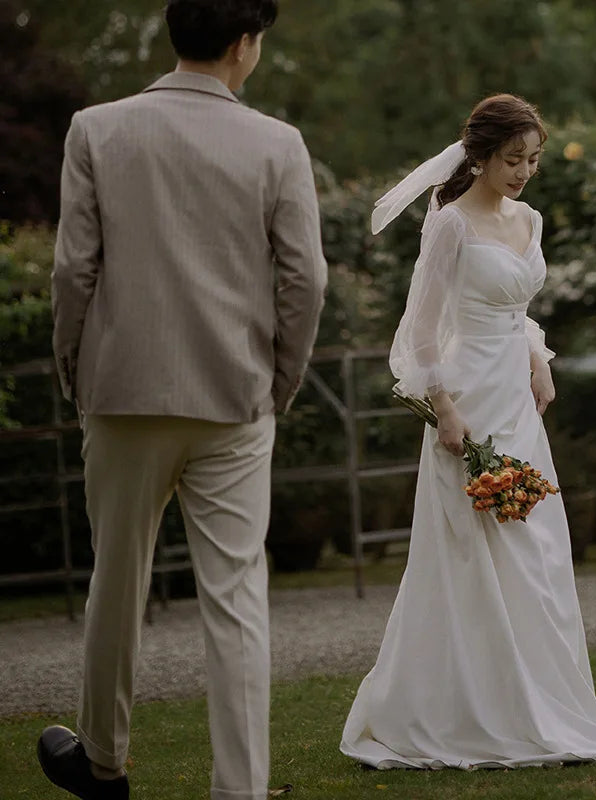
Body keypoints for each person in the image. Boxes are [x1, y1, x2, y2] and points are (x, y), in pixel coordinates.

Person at [36, 1, 327, 798]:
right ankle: (240, 788)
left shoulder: (97, 128)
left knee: (115, 582)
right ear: (244, 44)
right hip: (234, 398)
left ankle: (101, 763)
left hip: (122, 392)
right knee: (237, 601)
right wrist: (281, 381)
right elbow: (306, 280)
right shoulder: (278, 143)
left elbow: (72, 272)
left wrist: (74, 367)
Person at [340, 94, 596, 770]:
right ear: (479, 155)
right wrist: (444, 408)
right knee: (471, 555)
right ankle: (470, 710)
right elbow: (421, 328)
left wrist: (538, 358)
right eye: (513, 159)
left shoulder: (528, 219)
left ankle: (542, 703)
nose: (524, 172)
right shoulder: (449, 225)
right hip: (468, 399)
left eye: (532, 160)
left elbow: (517, 308)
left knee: (534, 551)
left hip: (518, 400)